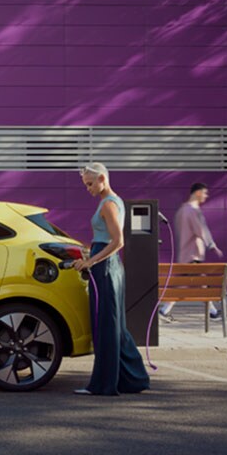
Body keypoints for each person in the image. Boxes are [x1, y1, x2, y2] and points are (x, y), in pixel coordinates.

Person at [72, 163, 150, 396]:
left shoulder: (108, 204)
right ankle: (134, 379)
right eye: (85, 184)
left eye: (90, 183)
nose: (88, 188)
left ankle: (103, 385)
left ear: (102, 179)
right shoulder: (114, 201)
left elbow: (118, 241)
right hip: (109, 266)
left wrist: (90, 261)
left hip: (105, 268)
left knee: (106, 326)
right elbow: (108, 240)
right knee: (114, 327)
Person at [159, 183, 223, 321]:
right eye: (205, 193)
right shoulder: (192, 210)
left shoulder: (181, 210)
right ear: (198, 192)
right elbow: (201, 230)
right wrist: (211, 244)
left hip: (185, 254)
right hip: (193, 254)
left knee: (193, 284)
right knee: (194, 284)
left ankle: (165, 310)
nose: (206, 196)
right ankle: (212, 312)